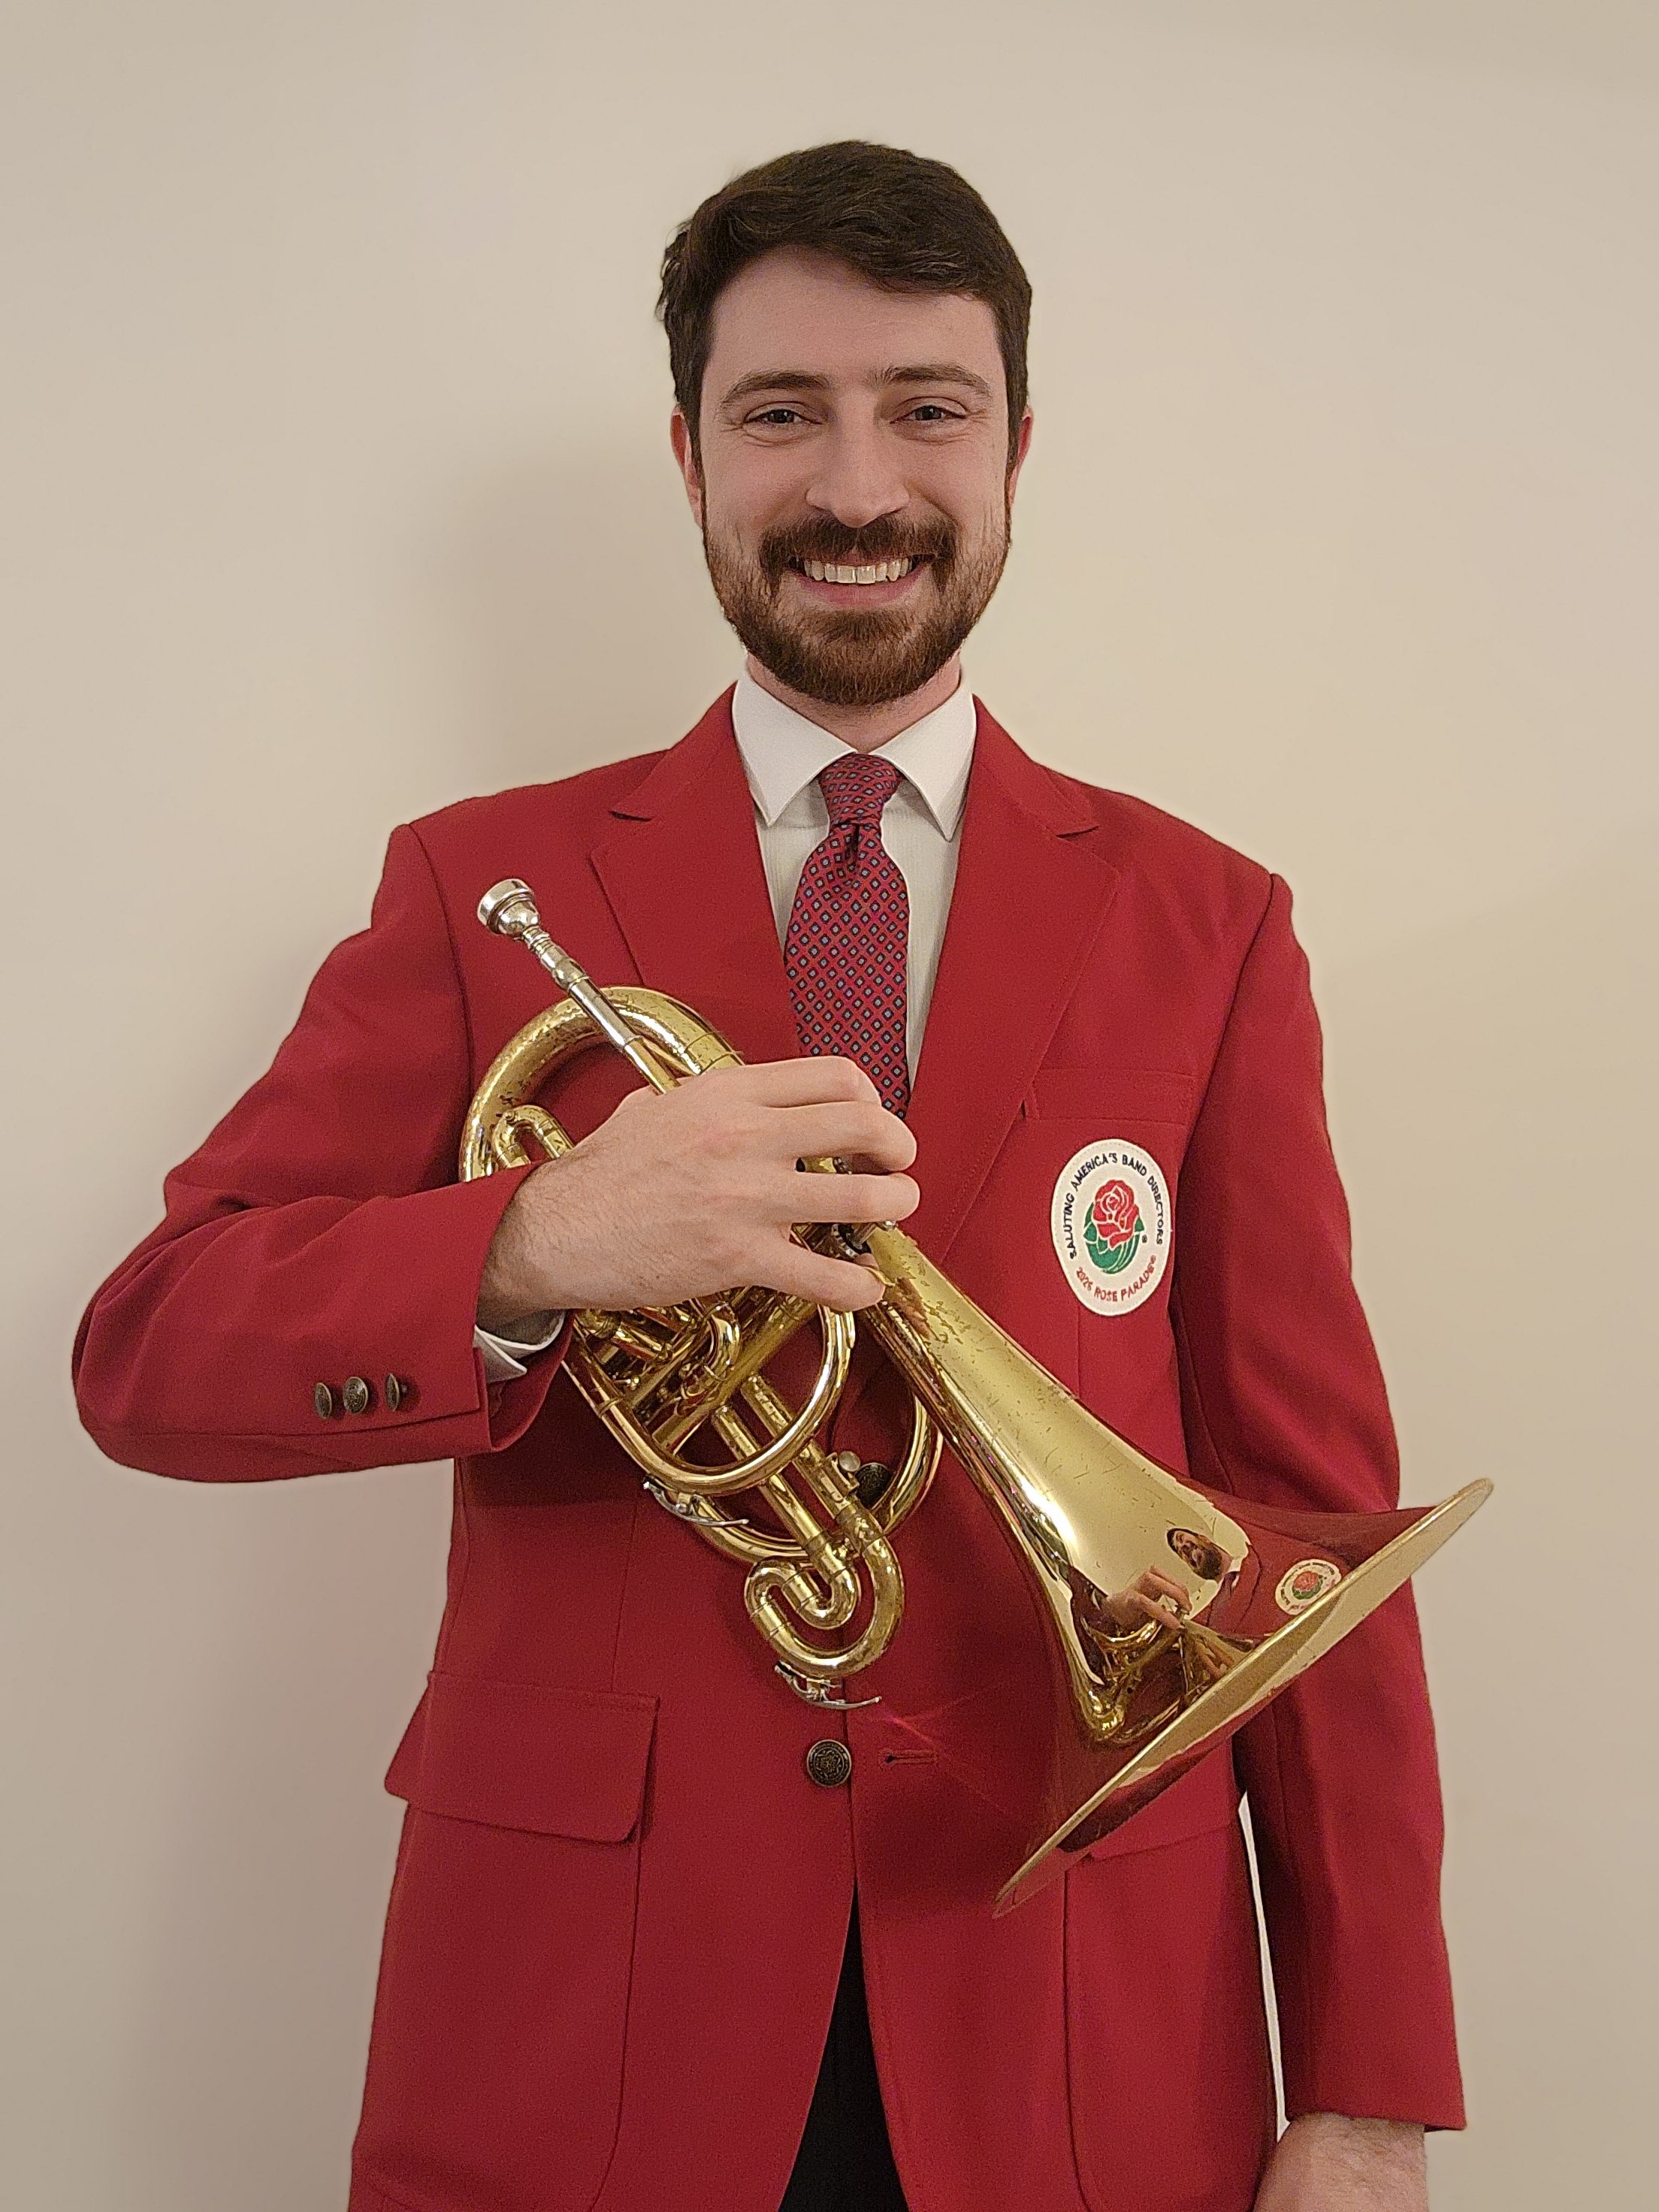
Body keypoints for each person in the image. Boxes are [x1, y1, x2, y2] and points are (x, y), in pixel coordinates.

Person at [74, 142, 1465, 2212]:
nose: (856, 488)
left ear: (1014, 449)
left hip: (1071, 1993)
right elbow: (147, 1354)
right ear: (690, 452)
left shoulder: (1209, 924)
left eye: (927, 407)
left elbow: (1306, 1546)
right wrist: (539, 1243)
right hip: (591, 1994)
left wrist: (1364, 2092)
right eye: (780, 413)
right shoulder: (486, 889)